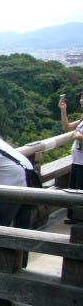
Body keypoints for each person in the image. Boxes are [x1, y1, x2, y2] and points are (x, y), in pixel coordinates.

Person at [58, 92, 83, 224]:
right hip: (77, 161)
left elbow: (77, 134)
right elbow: (67, 127)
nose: (81, 100)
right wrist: (63, 110)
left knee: (80, 192)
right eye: (81, 98)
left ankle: (80, 221)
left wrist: (79, 136)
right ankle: (74, 218)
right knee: (74, 189)